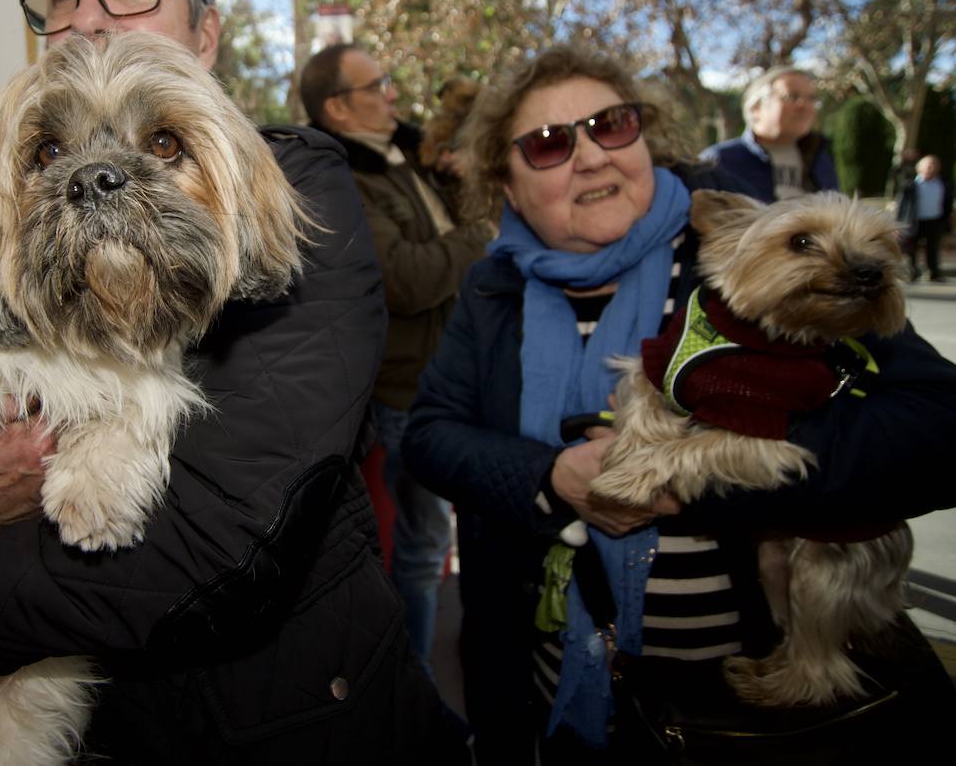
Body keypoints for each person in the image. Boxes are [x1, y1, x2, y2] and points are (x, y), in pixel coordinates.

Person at [0, 0, 470, 765]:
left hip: (294, 724)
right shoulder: (2, 217)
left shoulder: (304, 185)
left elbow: (219, 544)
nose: (90, 17)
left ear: (205, 30)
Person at [402, 45, 956, 764]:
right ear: (505, 184)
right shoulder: (492, 287)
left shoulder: (758, 253)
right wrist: (552, 478)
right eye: (548, 143)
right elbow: (432, 437)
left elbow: (939, 434)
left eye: (612, 124)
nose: (593, 155)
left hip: (759, 695)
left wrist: (694, 476)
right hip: (554, 689)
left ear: (645, 138)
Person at [299, 44, 493, 668]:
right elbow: (407, 279)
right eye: (376, 84)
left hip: (459, 374)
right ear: (337, 107)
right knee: (424, 543)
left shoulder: (402, 156)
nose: (392, 94)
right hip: (414, 390)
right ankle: (417, 692)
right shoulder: (343, 178)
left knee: (464, 537)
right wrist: (482, 234)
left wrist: (463, 184)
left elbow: (440, 240)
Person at [698, 65, 837, 201]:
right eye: (792, 96)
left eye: (812, 99)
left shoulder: (821, 158)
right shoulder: (718, 161)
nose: (805, 105)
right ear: (756, 108)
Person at [898, 154, 949, 282]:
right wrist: (899, 223)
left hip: (935, 220)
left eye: (934, 165)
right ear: (919, 168)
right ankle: (912, 272)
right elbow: (902, 205)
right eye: (928, 166)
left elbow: (947, 202)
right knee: (912, 249)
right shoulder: (910, 185)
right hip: (915, 220)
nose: (931, 168)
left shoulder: (943, 183)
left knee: (933, 248)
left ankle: (933, 272)